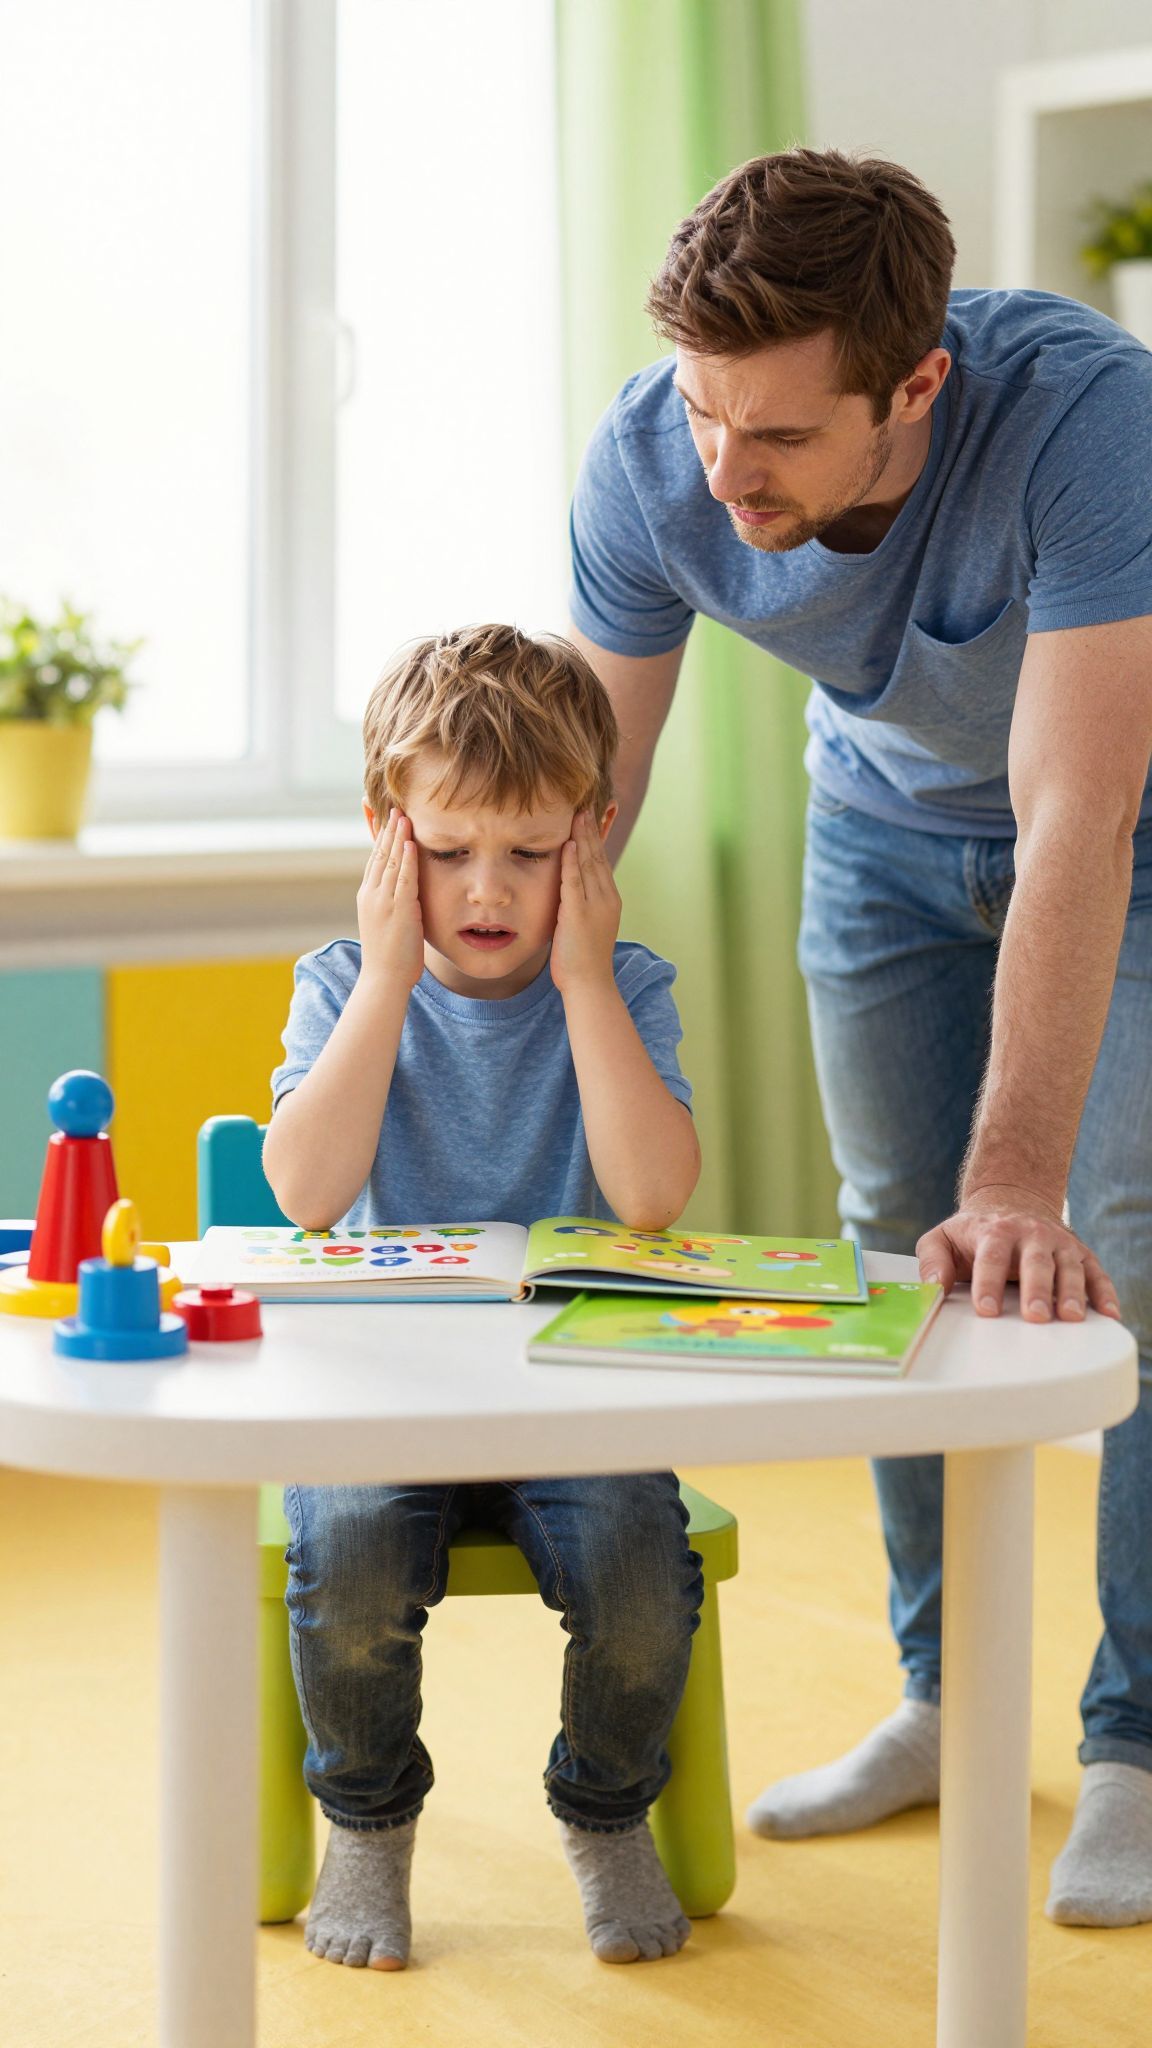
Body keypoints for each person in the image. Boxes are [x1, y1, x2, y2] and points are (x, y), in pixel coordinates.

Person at [565, 146, 1152, 1927]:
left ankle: (1133, 1745)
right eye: (701, 413)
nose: (722, 474)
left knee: (1113, 1241)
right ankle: (945, 1697)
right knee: (892, 1239)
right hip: (880, 830)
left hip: (1119, 830)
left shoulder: (1090, 419)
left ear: (916, 388)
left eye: (782, 438)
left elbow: (1074, 812)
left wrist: (1022, 1174)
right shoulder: (649, 460)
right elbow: (582, 793)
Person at [262, 622, 704, 1971]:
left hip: (567, 1403)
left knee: (640, 1569)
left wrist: (582, 980)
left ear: (594, 830)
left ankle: (606, 1807)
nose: (488, 890)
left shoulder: (622, 989)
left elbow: (652, 1199)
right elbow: (305, 1195)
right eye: (447, 854)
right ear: (387, 838)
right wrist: (388, 975)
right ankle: (369, 1821)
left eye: (528, 851)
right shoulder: (345, 986)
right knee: (342, 1561)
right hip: (391, 1403)